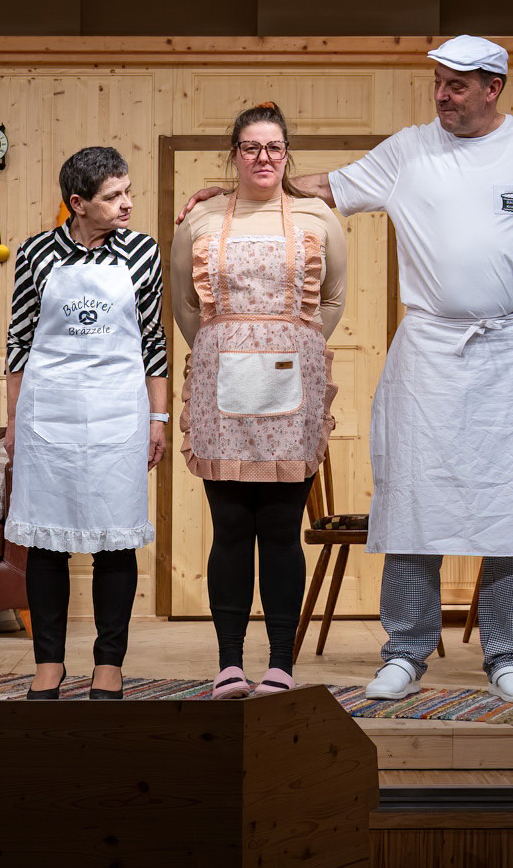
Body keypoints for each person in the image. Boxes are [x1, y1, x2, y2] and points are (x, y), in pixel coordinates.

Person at [180, 35, 513, 704]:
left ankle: (506, 654)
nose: (442, 95)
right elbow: (322, 187)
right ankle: (405, 650)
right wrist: (238, 193)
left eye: (457, 84)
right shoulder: (408, 150)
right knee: (411, 498)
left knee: (510, 505)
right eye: (438, 82)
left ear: (493, 87)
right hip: (428, 346)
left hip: (512, 347)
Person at [172, 103, 347, 699]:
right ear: (234, 155)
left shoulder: (318, 215)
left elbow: (332, 298)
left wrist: (292, 343)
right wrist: (225, 345)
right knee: (228, 527)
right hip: (220, 389)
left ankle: (279, 663)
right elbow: (185, 304)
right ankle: (228, 663)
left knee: (279, 528)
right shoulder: (200, 218)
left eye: (274, 146)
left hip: (292, 392)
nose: (263, 157)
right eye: (251, 147)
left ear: (287, 153)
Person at [5, 147, 169, 700]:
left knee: (114, 543)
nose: (127, 204)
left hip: (117, 413)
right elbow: (19, 341)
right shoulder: (35, 254)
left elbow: (153, 341)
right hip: (48, 414)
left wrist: (158, 417)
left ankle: (108, 664)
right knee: (46, 544)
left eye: (128, 192)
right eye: (113, 196)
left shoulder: (143, 253)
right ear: (78, 203)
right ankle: (49, 663)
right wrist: (13, 421)